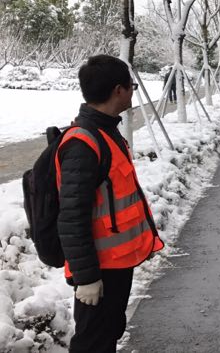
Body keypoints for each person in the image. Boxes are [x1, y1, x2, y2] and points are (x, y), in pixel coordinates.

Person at [57, 55, 164, 353]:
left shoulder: (106, 132)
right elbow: (71, 216)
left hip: (116, 263)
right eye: (131, 86)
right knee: (93, 343)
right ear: (119, 90)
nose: (132, 92)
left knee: (109, 333)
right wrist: (87, 277)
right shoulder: (84, 143)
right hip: (98, 269)